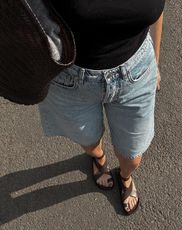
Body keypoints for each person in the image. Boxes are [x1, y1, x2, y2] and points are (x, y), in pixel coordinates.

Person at [38, 0, 165, 215]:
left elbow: (157, 10)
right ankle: (99, 158)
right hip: (69, 77)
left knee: (132, 155)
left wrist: (155, 62)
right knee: (87, 139)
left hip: (137, 70)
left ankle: (125, 176)